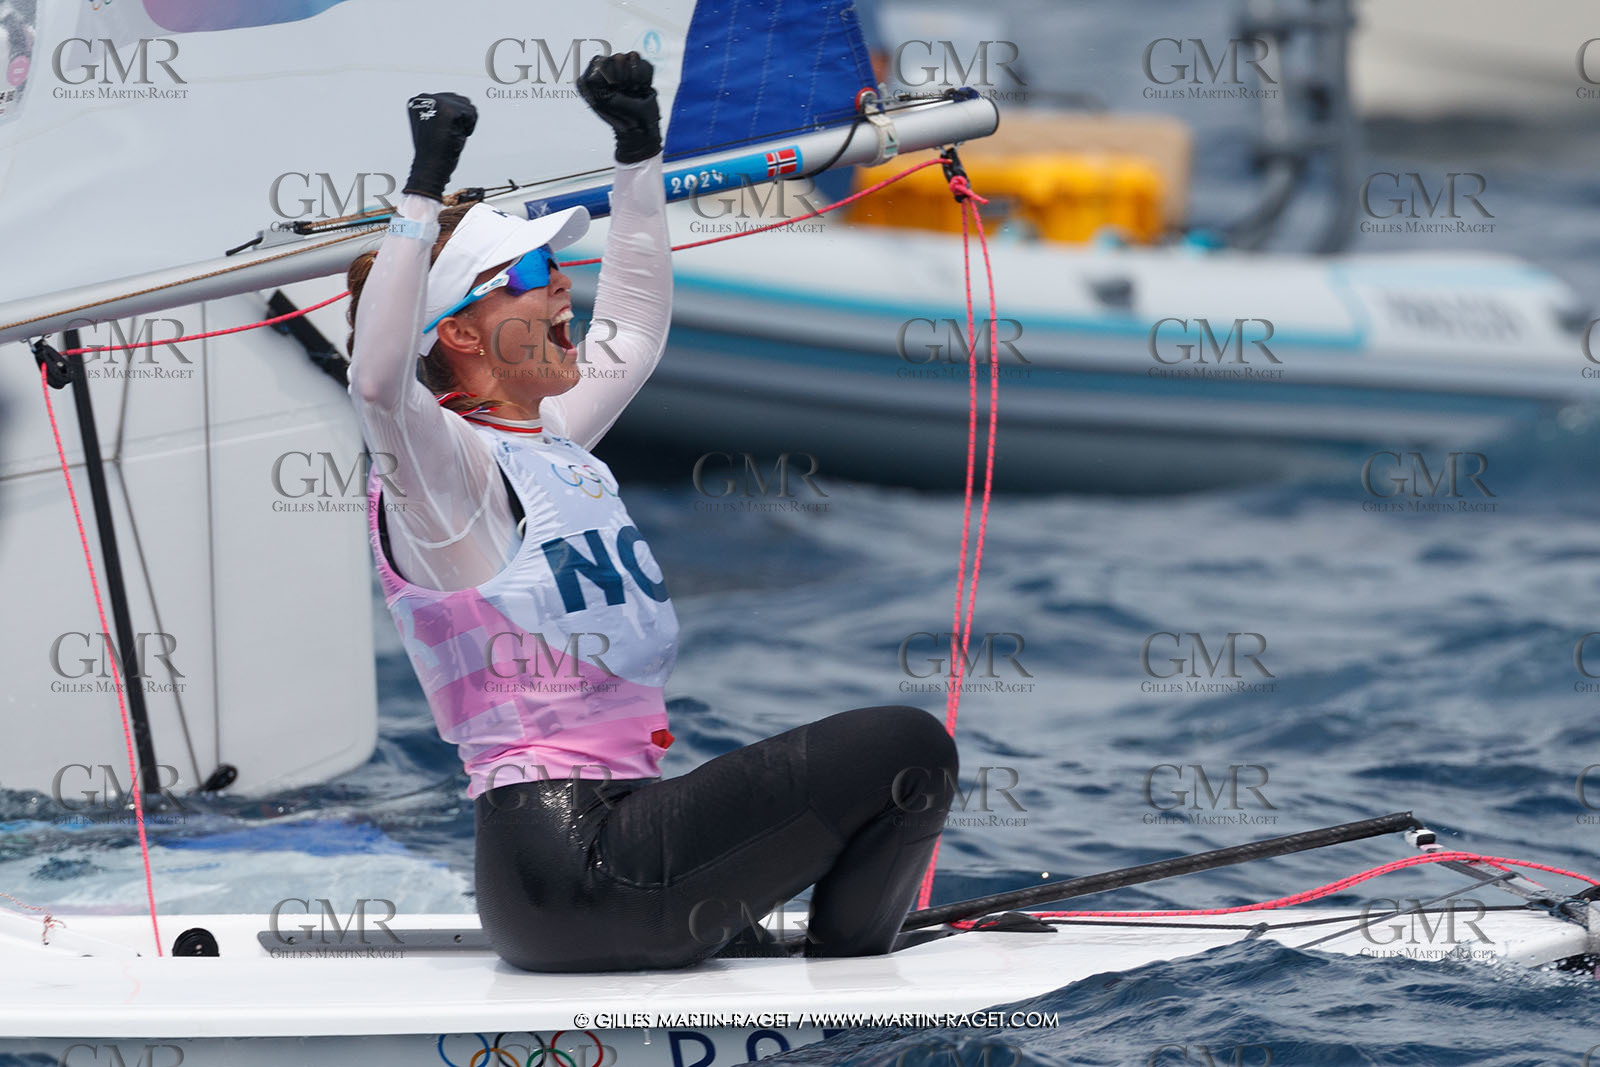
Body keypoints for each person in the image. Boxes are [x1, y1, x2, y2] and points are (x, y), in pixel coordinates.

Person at [343, 53, 958, 973]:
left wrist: (638, 154)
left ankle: (833, 957)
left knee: (889, 762)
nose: (565, 289)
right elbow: (377, 380)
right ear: (463, 332)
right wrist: (423, 190)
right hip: (571, 869)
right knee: (905, 749)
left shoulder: (548, 442)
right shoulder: (445, 480)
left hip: (617, 851)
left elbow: (634, 326)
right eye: (538, 272)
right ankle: (852, 986)